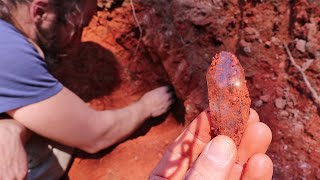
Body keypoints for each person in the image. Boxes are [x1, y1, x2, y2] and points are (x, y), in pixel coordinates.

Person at [0, 0, 273, 179]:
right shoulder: (12, 55)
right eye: (77, 26)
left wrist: (12, 127)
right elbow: (94, 135)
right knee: (49, 151)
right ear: (40, 11)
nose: (79, 39)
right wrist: (145, 108)